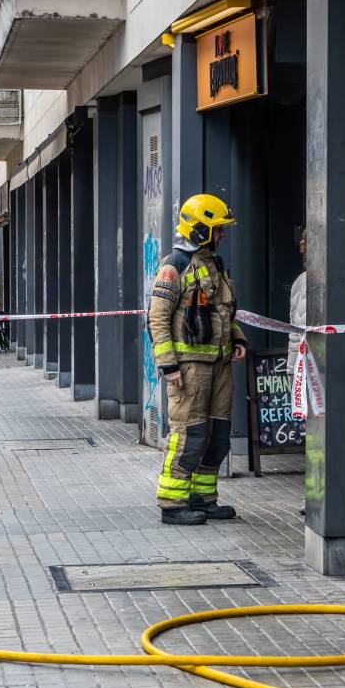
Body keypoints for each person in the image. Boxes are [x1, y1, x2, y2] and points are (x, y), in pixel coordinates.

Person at [146, 193, 248, 526]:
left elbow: (224, 311)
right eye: (217, 229)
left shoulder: (214, 264)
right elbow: (157, 318)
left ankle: (203, 499)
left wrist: (237, 339)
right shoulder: (173, 266)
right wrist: (168, 364)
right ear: (200, 228)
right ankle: (173, 503)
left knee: (217, 436)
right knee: (190, 435)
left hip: (219, 367)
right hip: (188, 369)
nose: (222, 236)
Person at [287, 227, 307, 371]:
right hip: (306, 364)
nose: (301, 248)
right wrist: (291, 367)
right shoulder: (301, 282)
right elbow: (296, 332)